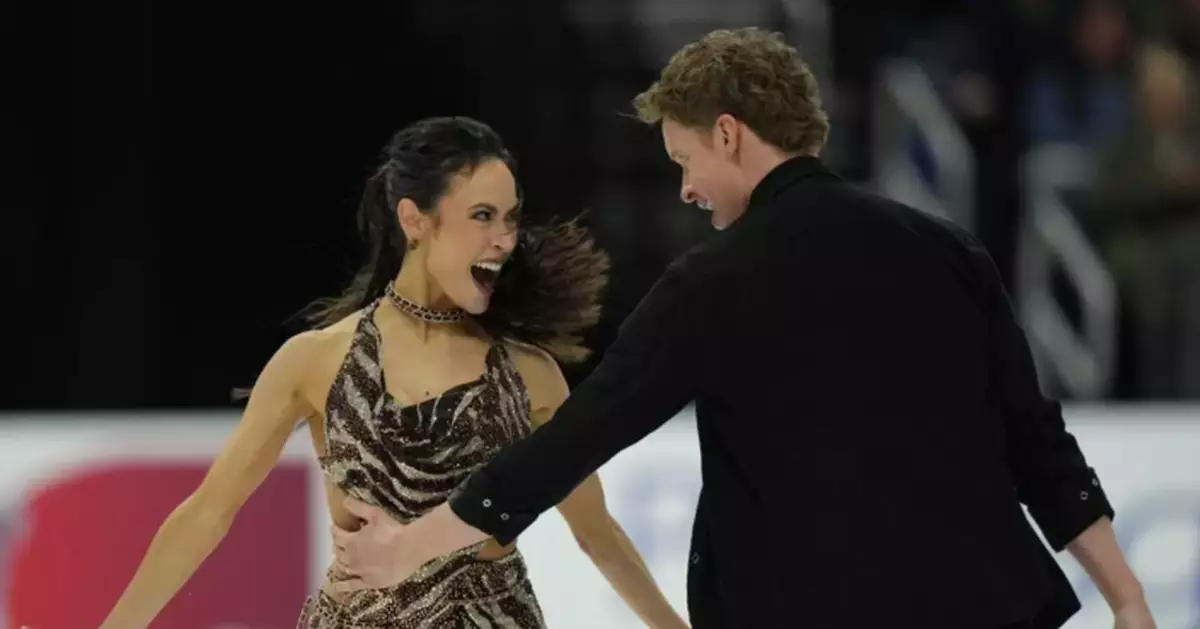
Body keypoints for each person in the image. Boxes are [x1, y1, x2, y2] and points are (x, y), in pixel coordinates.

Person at [327, 29, 1156, 629]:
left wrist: (410, 548)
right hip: (989, 607)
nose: (685, 190)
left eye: (685, 160)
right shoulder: (947, 249)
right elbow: (1036, 441)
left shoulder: (714, 282)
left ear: (728, 133)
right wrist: (1128, 598)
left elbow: (571, 441)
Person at [48, 116, 688, 629]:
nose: (504, 238)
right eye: (482, 216)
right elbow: (207, 515)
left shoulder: (533, 376)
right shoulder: (316, 360)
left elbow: (598, 535)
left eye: (511, 217)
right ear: (415, 220)